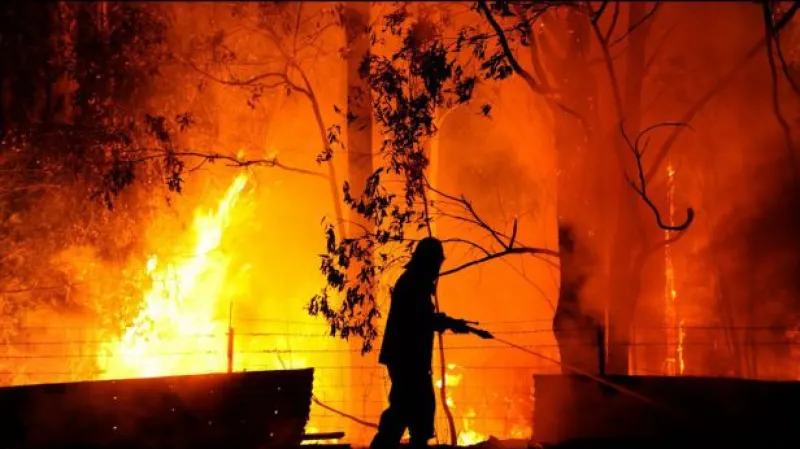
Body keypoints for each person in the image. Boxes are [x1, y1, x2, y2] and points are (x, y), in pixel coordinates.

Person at [370, 237, 471, 449]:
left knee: (417, 412)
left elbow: (422, 317)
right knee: (404, 410)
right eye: (436, 262)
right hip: (406, 360)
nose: (437, 268)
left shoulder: (415, 281)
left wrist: (448, 322)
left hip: (409, 360)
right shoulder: (414, 283)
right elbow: (420, 318)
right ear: (429, 261)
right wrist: (449, 323)